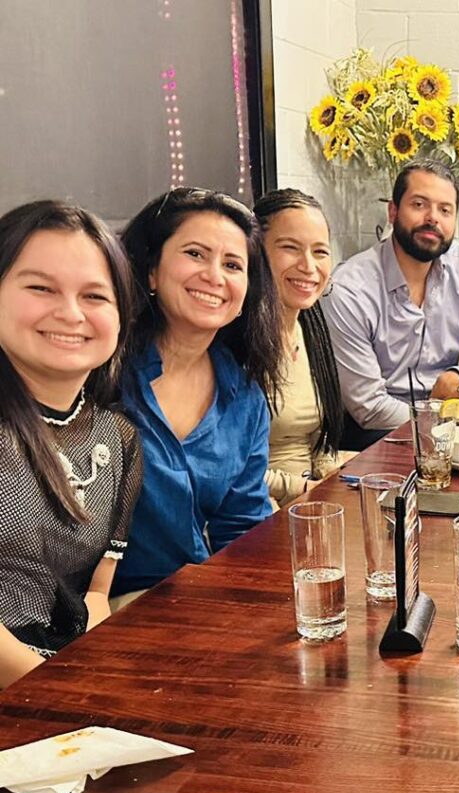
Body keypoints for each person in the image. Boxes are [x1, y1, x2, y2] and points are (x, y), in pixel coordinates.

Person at [0, 200, 142, 688]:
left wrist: (94, 675)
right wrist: (63, 692)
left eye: (95, 296)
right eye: (41, 288)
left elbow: (96, 595)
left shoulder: (117, 438)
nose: (70, 313)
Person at [112, 187, 280, 598]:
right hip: (96, 608)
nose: (215, 277)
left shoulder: (245, 398)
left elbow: (241, 530)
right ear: (152, 270)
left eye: (233, 265)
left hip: (194, 598)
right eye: (195, 254)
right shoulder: (103, 372)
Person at [322, 158, 459, 447]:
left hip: (449, 428)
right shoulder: (349, 289)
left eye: (445, 210)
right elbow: (369, 409)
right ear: (393, 211)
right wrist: (444, 425)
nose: (433, 218)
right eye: (419, 205)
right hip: (374, 439)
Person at [253, 188, 347, 505]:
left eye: (320, 252)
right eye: (290, 248)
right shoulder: (238, 342)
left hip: (306, 499)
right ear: (255, 252)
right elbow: (232, 472)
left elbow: (320, 442)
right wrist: (307, 489)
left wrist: (335, 476)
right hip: (259, 509)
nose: (308, 266)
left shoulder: (310, 326)